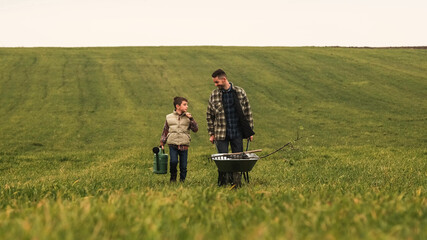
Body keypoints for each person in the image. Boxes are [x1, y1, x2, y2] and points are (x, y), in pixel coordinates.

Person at [206, 69, 254, 186]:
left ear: (224, 79)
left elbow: (248, 112)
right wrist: (211, 134)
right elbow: (209, 115)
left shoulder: (240, 92)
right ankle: (223, 183)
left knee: (237, 159)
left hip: (237, 132)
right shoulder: (214, 94)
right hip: (221, 133)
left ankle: (236, 183)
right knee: (222, 160)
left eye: (217, 82)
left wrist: (250, 132)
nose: (215, 85)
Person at [160, 97, 198, 182]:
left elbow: (195, 129)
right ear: (177, 106)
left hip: (184, 144)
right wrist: (162, 142)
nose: (187, 106)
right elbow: (165, 130)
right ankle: (173, 178)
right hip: (172, 144)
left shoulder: (189, 118)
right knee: (173, 162)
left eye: (187, 105)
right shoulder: (169, 117)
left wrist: (191, 119)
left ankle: (182, 180)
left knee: (183, 165)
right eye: (184, 105)